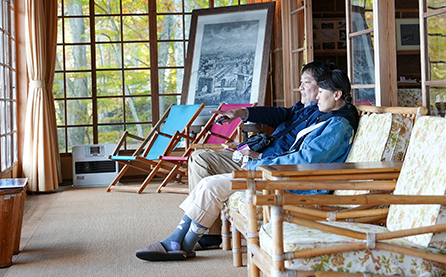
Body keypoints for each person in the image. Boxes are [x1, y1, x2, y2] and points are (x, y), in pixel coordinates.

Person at [135, 68, 359, 262]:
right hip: (280, 173)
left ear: (337, 94)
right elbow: (295, 144)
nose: (316, 96)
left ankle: (179, 242)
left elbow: (304, 159)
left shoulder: (337, 125)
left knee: (211, 185)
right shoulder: (330, 119)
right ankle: (181, 242)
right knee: (209, 182)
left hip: (292, 181)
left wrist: (260, 164)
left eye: (320, 91)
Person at [188, 60, 335, 191]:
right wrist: (240, 112)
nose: (300, 87)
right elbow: (279, 114)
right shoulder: (303, 108)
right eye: (301, 82)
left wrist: (261, 156)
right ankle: (198, 220)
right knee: (197, 157)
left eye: (306, 82)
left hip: (265, 163)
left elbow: (299, 156)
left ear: (323, 86)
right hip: (257, 155)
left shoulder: (323, 119)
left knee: (201, 160)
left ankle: (196, 221)